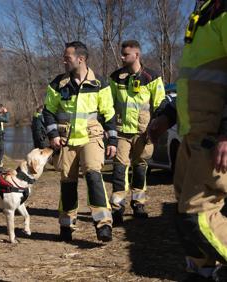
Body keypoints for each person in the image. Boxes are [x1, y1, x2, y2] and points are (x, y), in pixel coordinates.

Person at [148, 1, 227, 279]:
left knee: (197, 216)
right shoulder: (204, 11)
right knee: (183, 212)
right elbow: (194, 83)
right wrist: (168, 115)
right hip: (191, 136)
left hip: (213, 138)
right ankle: (202, 272)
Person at [43, 41, 117, 242]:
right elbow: (48, 111)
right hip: (66, 140)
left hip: (91, 137)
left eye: (67, 58)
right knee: (68, 182)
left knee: (93, 175)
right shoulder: (58, 84)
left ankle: (103, 225)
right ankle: (66, 225)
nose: (64, 61)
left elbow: (109, 113)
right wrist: (53, 135)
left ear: (80, 59)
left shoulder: (100, 83)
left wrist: (112, 141)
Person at [109, 40, 165, 223]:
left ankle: (138, 203)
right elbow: (108, 106)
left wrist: (154, 128)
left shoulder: (152, 78)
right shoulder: (116, 78)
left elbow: (160, 105)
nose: (122, 57)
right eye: (122, 53)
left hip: (143, 133)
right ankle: (117, 207)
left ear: (137, 55)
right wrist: (107, 130)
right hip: (121, 132)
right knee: (119, 168)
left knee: (140, 168)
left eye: (126, 54)